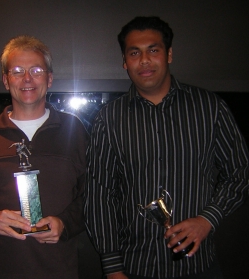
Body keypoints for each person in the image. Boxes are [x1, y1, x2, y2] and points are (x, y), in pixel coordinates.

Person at [84, 16, 249, 279]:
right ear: (125, 62)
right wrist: (112, 267)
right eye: (135, 52)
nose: (145, 60)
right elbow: (99, 195)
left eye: (154, 50)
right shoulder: (109, 118)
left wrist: (207, 219)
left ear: (169, 54)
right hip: (134, 268)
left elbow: (241, 172)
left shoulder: (209, 108)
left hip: (199, 267)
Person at [0, 35, 88, 279]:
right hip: (0, 270)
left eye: (36, 70)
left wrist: (65, 223)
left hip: (60, 269)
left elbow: (92, 195)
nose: (27, 78)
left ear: (50, 78)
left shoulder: (74, 131)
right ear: (5, 80)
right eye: (17, 71)